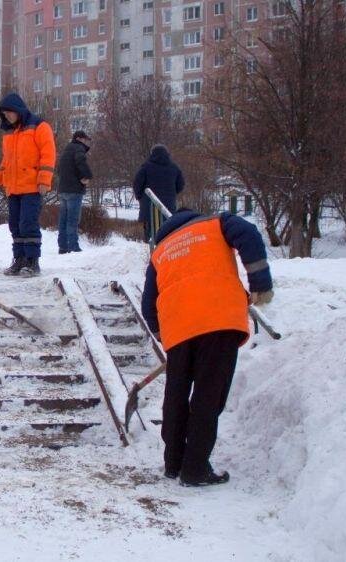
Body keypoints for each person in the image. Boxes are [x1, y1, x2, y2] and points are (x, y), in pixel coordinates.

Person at [141, 208, 273, 487]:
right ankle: (195, 468)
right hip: (218, 318)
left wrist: (164, 335)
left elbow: (148, 304)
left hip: (177, 327)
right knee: (208, 395)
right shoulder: (216, 223)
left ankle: (173, 463)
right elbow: (248, 234)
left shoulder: (160, 250)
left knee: (175, 396)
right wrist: (260, 283)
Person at [0, 92, 56, 277]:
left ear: (18, 110)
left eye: (8, 112)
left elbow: (48, 154)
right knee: (15, 225)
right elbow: (5, 163)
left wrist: (44, 180)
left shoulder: (39, 127)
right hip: (13, 188)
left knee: (28, 224)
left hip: (32, 187)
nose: (6, 116)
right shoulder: (9, 134)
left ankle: (32, 262)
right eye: (4, 114)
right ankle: (19, 260)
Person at [134, 144, 184, 242]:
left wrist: (140, 197)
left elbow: (137, 184)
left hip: (149, 208)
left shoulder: (145, 167)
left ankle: (152, 254)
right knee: (167, 236)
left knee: (150, 236)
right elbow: (181, 185)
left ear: (152, 154)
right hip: (168, 208)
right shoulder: (174, 168)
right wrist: (171, 194)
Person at [55, 130, 93, 254]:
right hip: (74, 190)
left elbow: (59, 169)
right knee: (73, 220)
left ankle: (63, 246)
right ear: (79, 139)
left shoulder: (67, 150)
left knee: (63, 220)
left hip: (63, 189)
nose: (86, 142)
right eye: (85, 139)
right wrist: (86, 176)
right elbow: (81, 162)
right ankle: (73, 247)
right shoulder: (78, 149)